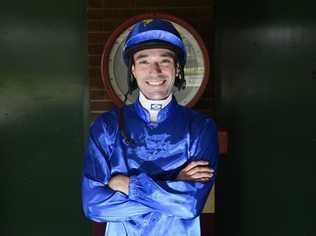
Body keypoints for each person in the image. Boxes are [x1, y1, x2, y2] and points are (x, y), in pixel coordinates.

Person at [81, 19, 218, 236]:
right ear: (133, 70)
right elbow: (93, 206)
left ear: (177, 69)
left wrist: (126, 185)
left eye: (164, 61)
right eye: (144, 62)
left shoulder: (201, 127)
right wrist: (174, 183)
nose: (154, 71)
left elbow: (190, 204)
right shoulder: (106, 127)